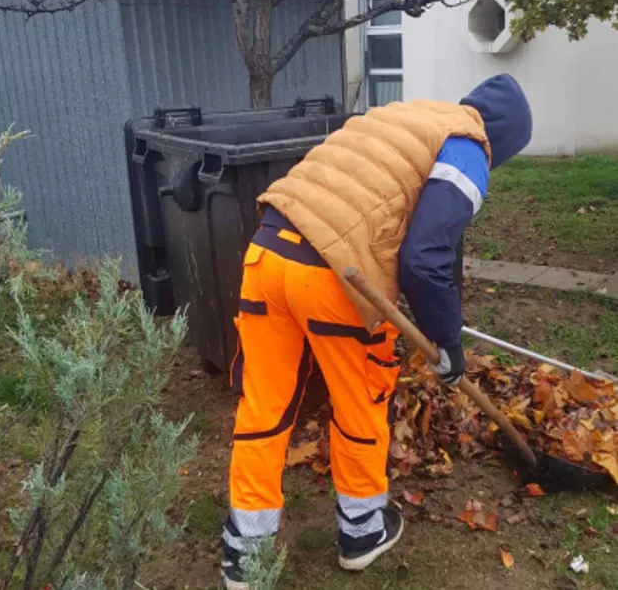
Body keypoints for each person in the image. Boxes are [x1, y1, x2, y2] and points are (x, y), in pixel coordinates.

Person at [221, 75, 533, 589]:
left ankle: (245, 551)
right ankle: (362, 531)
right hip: (334, 276)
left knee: (265, 405)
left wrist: (437, 317)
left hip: (266, 251)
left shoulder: (409, 116)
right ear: (503, 138)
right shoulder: (470, 147)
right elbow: (425, 256)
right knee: (360, 401)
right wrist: (448, 345)